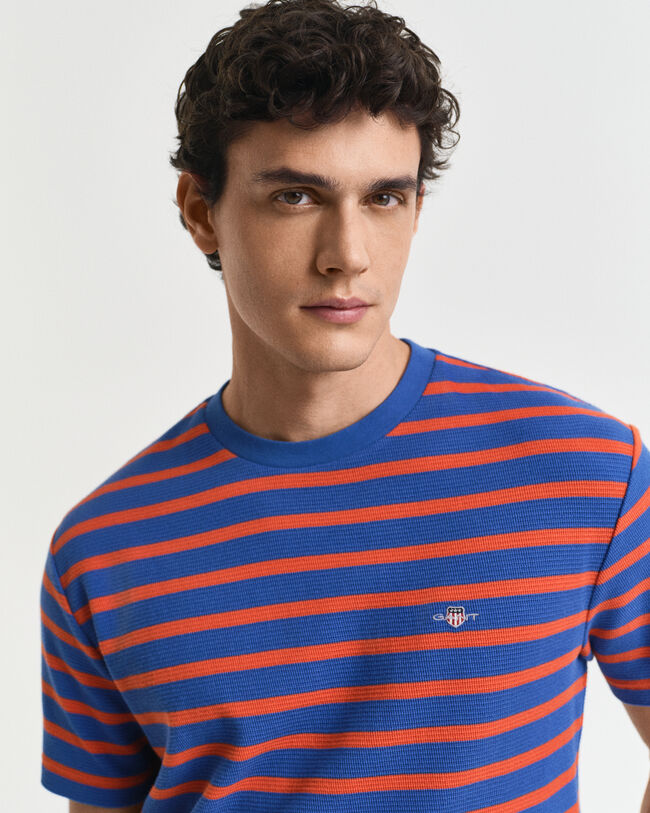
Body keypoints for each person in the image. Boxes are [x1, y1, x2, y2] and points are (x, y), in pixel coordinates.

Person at [40, 0, 650, 811]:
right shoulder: (103, 549)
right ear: (200, 212)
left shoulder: (588, 473)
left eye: (384, 198)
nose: (348, 256)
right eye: (296, 196)